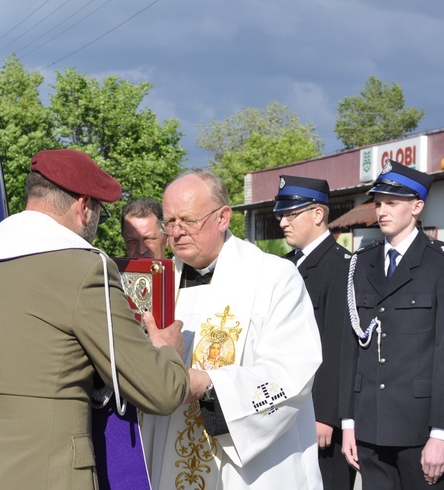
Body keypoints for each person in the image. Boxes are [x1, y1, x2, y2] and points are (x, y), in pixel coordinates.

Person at [0, 149, 200, 490]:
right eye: (100, 214)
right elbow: (160, 392)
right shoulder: (85, 268)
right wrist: (168, 351)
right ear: (84, 206)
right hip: (46, 476)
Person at [141, 168, 323, 490]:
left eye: (188, 220)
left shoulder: (274, 277)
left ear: (223, 218)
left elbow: (292, 372)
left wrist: (206, 385)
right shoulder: (159, 286)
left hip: (249, 471)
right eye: (169, 223)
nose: (177, 232)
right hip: (171, 456)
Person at [341, 160, 444, 489]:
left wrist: (440, 434)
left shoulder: (437, 263)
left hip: (419, 430)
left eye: (392, 203)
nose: (382, 211)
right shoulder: (361, 262)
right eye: (378, 203)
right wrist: (347, 422)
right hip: (369, 427)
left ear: (417, 206)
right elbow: (351, 349)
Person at [274, 175, 356, 490]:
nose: (283, 222)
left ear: (318, 215)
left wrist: (326, 414)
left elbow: (337, 345)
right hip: (286, 408)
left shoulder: (341, 266)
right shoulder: (284, 266)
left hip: (319, 415)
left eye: (291, 215)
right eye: (281, 215)